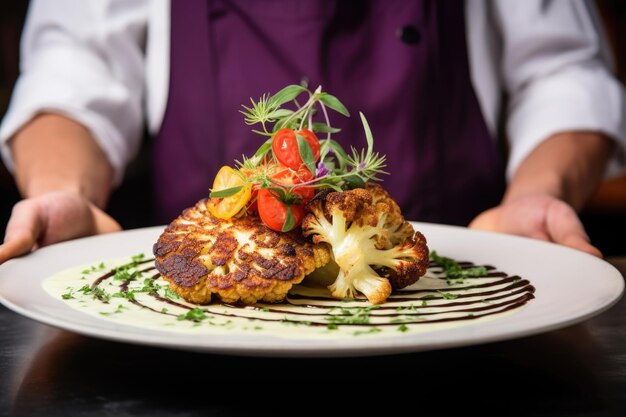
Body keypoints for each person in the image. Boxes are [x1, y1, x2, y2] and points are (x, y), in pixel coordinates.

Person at [0, 0, 625, 265]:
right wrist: (64, 190)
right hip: (192, 358)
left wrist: (534, 200)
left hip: (463, 310)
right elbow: (73, 70)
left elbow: (563, 70)